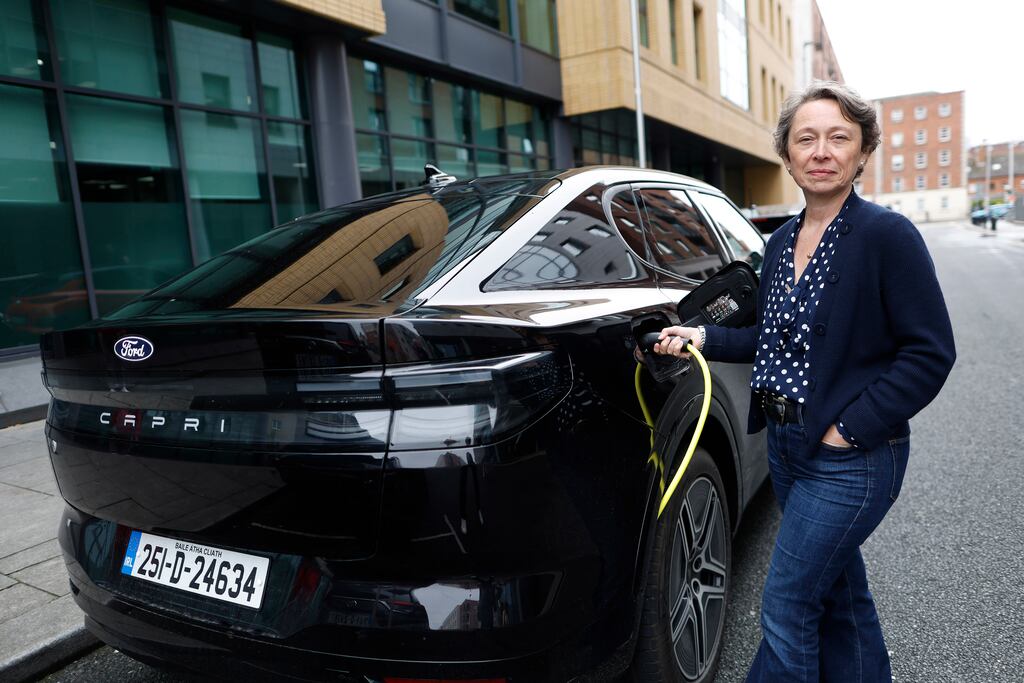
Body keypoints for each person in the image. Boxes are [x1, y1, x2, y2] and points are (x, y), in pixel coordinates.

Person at [653, 81, 955, 682]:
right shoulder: (782, 240)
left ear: (862, 152)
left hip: (850, 457)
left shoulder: (886, 236)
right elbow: (772, 339)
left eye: (838, 137)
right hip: (787, 450)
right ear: (787, 156)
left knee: (788, 604)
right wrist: (702, 338)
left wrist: (851, 428)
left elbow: (930, 352)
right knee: (841, 598)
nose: (822, 150)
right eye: (806, 138)